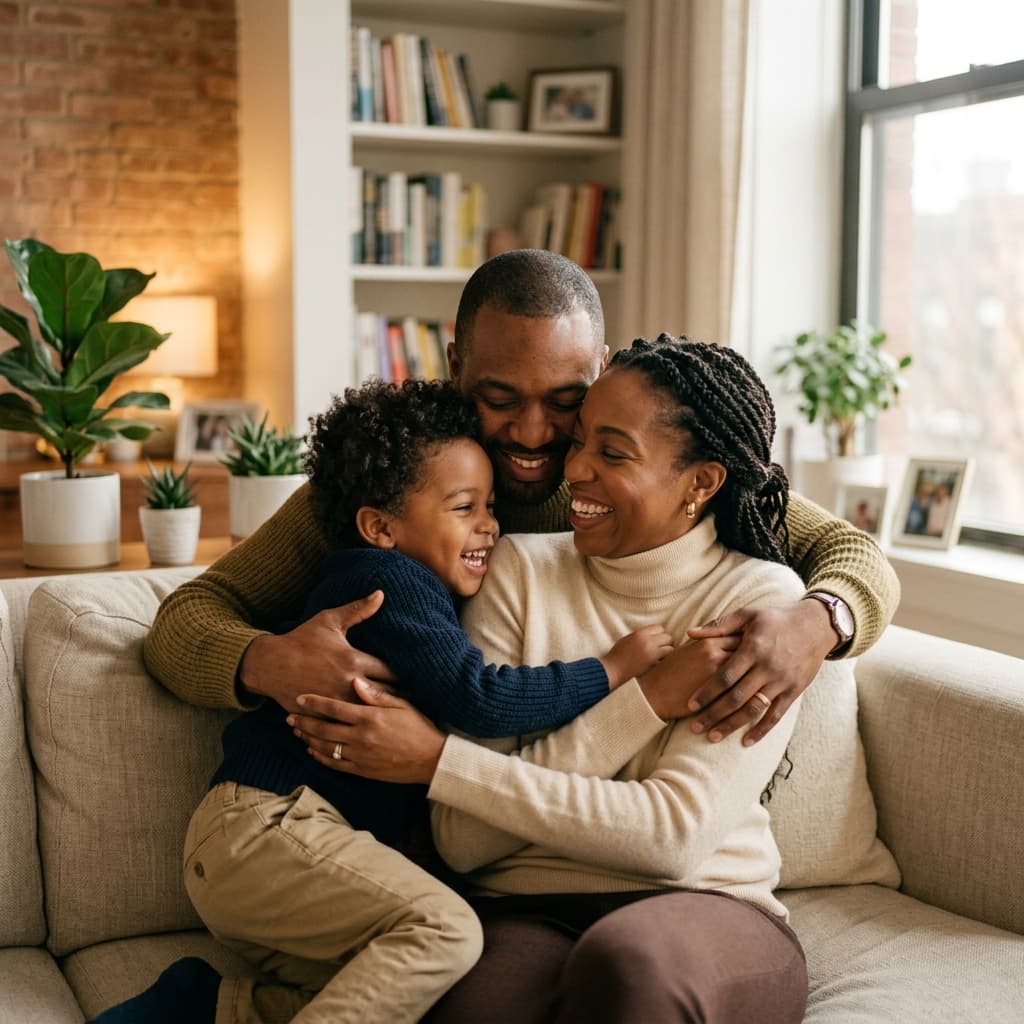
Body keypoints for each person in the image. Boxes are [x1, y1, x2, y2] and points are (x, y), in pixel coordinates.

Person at [142, 249, 899, 754]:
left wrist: (818, 620)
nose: (534, 434)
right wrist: (267, 661)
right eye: (499, 398)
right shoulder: (396, 485)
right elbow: (186, 617)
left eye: (565, 400)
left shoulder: (637, 487)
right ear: (454, 365)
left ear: (600, 372)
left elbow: (857, 555)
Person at [290, 336, 816, 1022]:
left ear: (701, 482)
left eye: (613, 452)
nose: (576, 471)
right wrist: (646, 700)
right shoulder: (515, 569)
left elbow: (671, 836)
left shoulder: (760, 603)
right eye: (581, 443)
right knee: (469, 1006)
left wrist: (441, 763)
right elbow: (463, 837)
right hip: (523, 910)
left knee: (628, 968)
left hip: (708, 907)